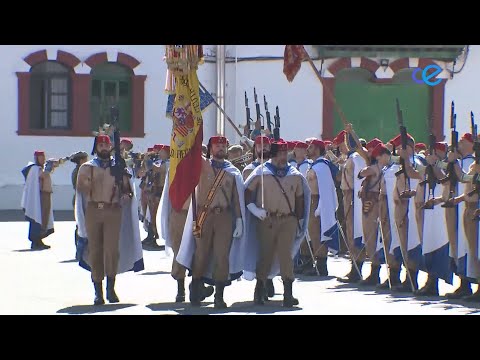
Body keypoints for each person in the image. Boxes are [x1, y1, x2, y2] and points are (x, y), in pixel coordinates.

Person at [176, 136, 246, 309]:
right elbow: (188, 153)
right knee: (201, 253)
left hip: (224, 217)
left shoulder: (233, 172)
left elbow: (237, 198)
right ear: (210, 148)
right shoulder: (201, 166)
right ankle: (196, 288)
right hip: (203, 216)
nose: (220, 148)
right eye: (217, 145)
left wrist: (238, 219)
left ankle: (219, 296)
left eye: (223, 145)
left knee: (222, 255)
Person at [75, 134, 144, 305]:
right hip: (93, 210)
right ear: (96, 148)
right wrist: (98, 177)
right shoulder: (87, 167)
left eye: (107, 145)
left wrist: (126, 193)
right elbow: (82, 188)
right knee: (96, 250)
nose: (104, 148)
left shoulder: (119, 165)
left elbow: (129, 189)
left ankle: (110, 288)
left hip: (113, 211)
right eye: (101, 145)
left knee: (111, 250)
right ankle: (98, 291)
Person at [243, 141, 311, 307]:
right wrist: (254, 210)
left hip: (288, 219)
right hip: (267, 219)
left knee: (285, 256)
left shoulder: (294, 174)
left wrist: (301, 221)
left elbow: (300, 199)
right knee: (265, 254)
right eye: (280, 153)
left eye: (285, 152)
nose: (283, 156)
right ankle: (260, 288)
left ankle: (288, 292)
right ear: (273, 154)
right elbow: (247, 193)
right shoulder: (261, 172)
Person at [417, 142, 453, 296]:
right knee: (429, 244)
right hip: (430, 209)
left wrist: (435, 165)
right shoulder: (430, 166)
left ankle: (435, 281)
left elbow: (445, 180)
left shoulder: (446, 166)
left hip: (441, 210)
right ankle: (430, 281)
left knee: (439, 244)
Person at [335, 129, 368, 283]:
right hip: (347, 195)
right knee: (350, 233)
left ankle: (357, 268)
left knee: (355, 232)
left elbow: (359, 179)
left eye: (343, 143)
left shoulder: (356, 158)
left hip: (353, 196)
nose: (341, 147)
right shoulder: (349, 158)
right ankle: (354, 266)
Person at [304, 139, 339, 276]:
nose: (308, 149)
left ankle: (321, 265)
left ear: (318, 149)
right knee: (313, 234)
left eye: (311, 147)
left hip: (318, 202)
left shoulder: (322, 166)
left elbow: (325, 188)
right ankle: (317, 263)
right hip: (311, 202)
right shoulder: (314, 165)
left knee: (319, 233)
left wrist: (320, 207)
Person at [376, 143, 402, 289]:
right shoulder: (387, 169)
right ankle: (392, 275)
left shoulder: (394, 169)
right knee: (387, 241)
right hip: (386, 208)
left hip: (394, 208)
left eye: (379, 156)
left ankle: (396, 276)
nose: (378, 159)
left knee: (395, 240)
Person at [21, 151, 55, 250]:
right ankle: (35, 241)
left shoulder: (40, 168)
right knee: (37, 218)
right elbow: (42, 176)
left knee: (44, 219)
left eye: (43, 157)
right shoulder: (34, 169)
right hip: (38, 198)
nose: (43, 159)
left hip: (45, 195)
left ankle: (39, 240)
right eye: (41, 157)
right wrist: (48, 168)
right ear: (36, 158)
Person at [70, 151, 89, 260]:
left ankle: (81, 250)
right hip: (80, 199)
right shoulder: (79, 171)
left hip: (82, 199)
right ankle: (80, 250)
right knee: (80, 225)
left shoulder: (81, 170)